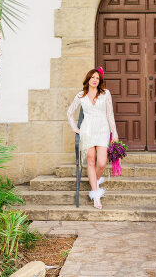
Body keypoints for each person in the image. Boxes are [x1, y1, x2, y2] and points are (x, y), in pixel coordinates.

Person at [67, 68, 118, 209]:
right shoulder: (81, 95)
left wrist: (115, 134)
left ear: (100, 80)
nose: (95, 80)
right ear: (88, 79)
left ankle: (94, 182)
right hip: (88, 131)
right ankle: (96, 195)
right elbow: (70, 112)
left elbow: (110, 115)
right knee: (90, 160)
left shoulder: (105, 94)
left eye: (97, 77)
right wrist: (75, 129)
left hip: (102, 130)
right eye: (92, 77)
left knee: (101, 163)